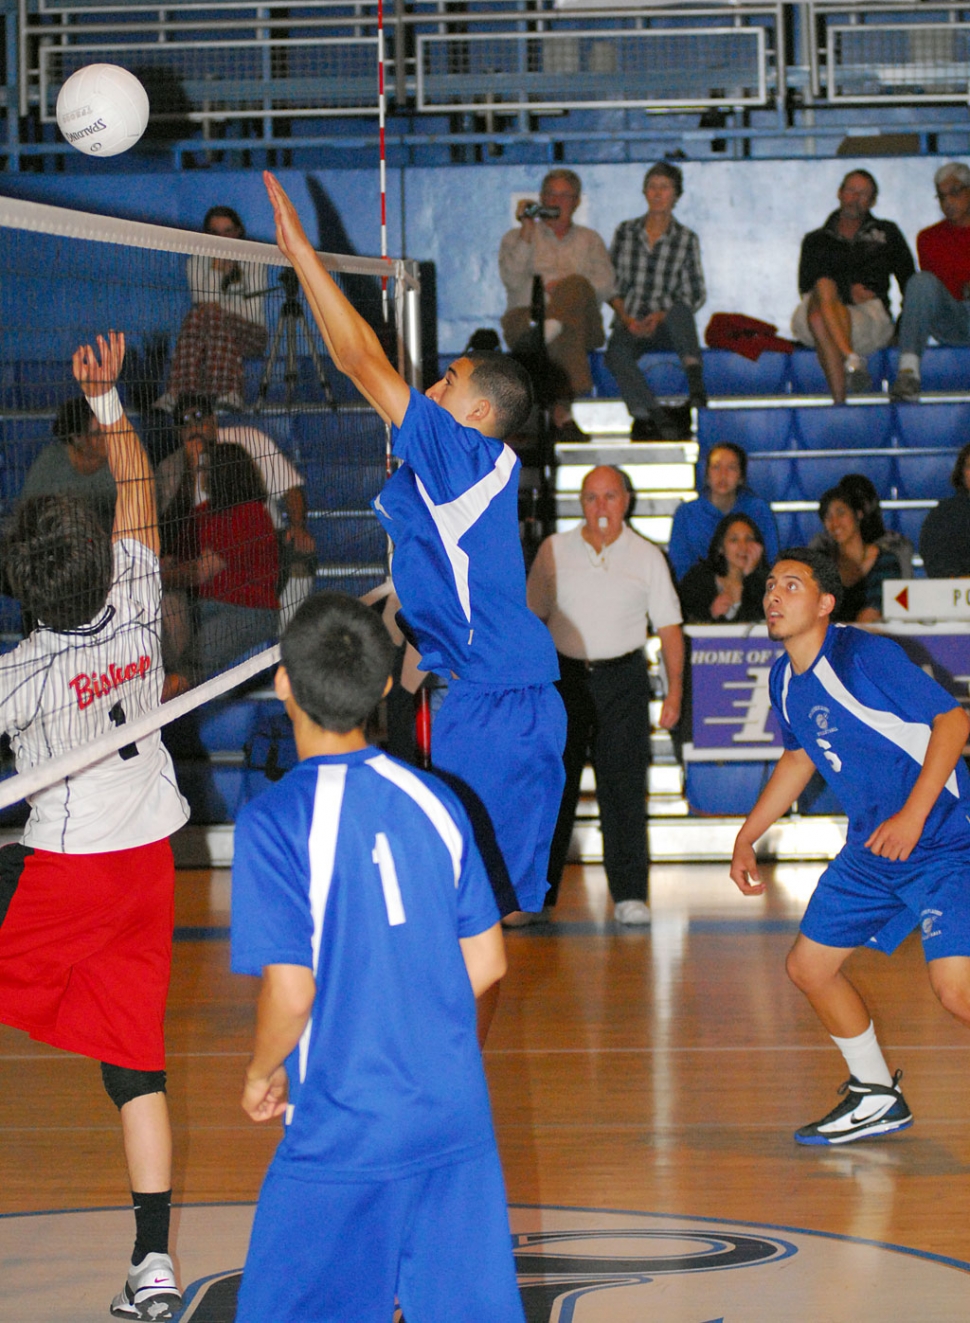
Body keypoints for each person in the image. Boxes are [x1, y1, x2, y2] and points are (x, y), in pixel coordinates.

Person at [263, 172, 566, 1022]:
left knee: (469, 914)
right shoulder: (454, 471)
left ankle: (432, 1070)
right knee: (471, 914)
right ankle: (440, 1063)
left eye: (448, 379)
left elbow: (363, 360)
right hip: (483, 697)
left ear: (476, 411)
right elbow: (359, 368)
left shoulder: (467, 458)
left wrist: (301, 253)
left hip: (497, 706)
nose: (430, 385)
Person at [230, 592, 523, 1323]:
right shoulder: (439, 799)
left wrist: (261, 1071)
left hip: (343, 1126)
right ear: (387, 685)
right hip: (454, 1121)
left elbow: (292, 993)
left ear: (284, 683)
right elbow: (487, 965)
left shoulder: (274, 819)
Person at [0, 332, 189, 1318]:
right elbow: (142, 497)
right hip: (147, 863)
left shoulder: (19, 674)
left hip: (67, 872)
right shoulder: (139, 599)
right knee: (134, 1070)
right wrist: (109, 401)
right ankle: (152, 1264)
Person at [730, 547, 970, 1146]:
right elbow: (798, 757)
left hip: (944, 837)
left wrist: (914, 816)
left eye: (792, 584)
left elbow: (954, 724)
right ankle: (875, 1096)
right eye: (770, 586)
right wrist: (746, 834)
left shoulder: (863, 653)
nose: (774, 596)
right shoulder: (784, 678)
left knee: (956, 992)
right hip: (874, 847)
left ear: (826, 603)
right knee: (809, 967)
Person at [527, 465, 683, 925]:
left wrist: (674, 694)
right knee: (553, 788)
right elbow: (532, 622)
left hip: (624, 681)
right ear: (581, 502)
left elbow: (671, 631)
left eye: (610, 497)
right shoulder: (553, 550)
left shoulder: (648, 556)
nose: (600, 508)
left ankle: (631, 893)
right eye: (591, 497)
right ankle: (539, 895)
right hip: (563, 681)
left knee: (624, 788)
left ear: (627, 501)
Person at [498, 169, 615, 441]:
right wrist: (527, 230)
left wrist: (565, 287)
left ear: (576, 202)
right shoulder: (515, 238)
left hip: (583, 322)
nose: (556, 200)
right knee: (563, 334)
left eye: (564, 195)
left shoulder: (590, 240)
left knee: (574, 286)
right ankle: (563, 418)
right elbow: (512, 279)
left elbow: (607, 285)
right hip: (526, 318)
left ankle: (547, 330)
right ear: (540, 198)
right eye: (550, 194)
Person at [792, 170, 914, 404]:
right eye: (851, 191)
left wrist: (901, 331)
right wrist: (848, 291)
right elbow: (806, 284)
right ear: (839, 193)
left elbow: (910, 283)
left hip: (867, 316)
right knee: (822, 288)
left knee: (819, 318)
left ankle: (840, 401)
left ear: (873, 201)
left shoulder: (886, 233)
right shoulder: (815, 239)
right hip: (818, 308)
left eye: (864, 194)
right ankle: (850, 357)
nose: (855, 198)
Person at [605, 162, 707, 441]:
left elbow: (695, 291)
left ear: (676, 195)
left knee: (680, 311)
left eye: (665, 187)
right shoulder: (625, 232)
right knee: (614, 354)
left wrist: (661, 315)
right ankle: (651, 413)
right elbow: (610, 283)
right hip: (631, 319)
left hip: (668, 325)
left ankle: (696, 386)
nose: (658, 193)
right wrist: (626, 318)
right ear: (644, 192)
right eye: (652, 186)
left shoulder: (686, 239)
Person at [155, 205, 268, 412]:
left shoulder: (254, 260)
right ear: (207, 235)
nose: (223, 237)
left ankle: (176, 394)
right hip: (213, 331)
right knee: (204, 316)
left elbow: (252, 310)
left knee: (203, 315)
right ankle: (228, 394)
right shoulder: (196, 263)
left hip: (252, 334)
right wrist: (216, 269)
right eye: (215, 232)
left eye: (228, 231)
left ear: (238, 232)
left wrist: (217, 305)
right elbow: (202, 301)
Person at [892, 163, 970, 403]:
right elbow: (946, 284)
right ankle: (908, 373)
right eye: (942, 196)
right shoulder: (929, 238)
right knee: (921, 282)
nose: (948, 202)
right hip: (952, 317)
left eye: (955, 192)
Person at [667, 442, 779, 581]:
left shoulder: (759, 510)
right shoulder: (686, 514)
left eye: (731, 468)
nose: (723, 474)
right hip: (698, 592)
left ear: (741, 477)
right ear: (707, 475)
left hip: (753, 588)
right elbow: (680, 568)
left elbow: (772, 562)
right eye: (716, 467)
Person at [18, 395, 117, 533]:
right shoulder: (50, 463)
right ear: (76, 438)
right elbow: (28, 513)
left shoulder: (126, 457)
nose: (108, 438)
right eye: (98, 433)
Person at [817, 484, 901, 623]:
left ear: (858, 514)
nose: (835, 523)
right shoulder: (822, 564)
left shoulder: (886, 561)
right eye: (828, 517)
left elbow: (873, 612)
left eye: (841, 513)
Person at [809, 472, 914, 578]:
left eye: (841, 512)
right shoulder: (821, 548)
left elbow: (904, 589)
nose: (835, 522)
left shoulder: (895, 549)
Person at [677, 512, 767, 624]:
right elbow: (681, 619)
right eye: (734, 540)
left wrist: (750, 577)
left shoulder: (767, 585)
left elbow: (760, 622)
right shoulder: (698, 580)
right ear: (721, 547)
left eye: (748, 539)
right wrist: (711, 614)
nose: (743, 546)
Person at [919, 440, 970, 578]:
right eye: (969, 467)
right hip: (956, 595)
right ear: (962, 474)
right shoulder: (943, 515)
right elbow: (938, 564)